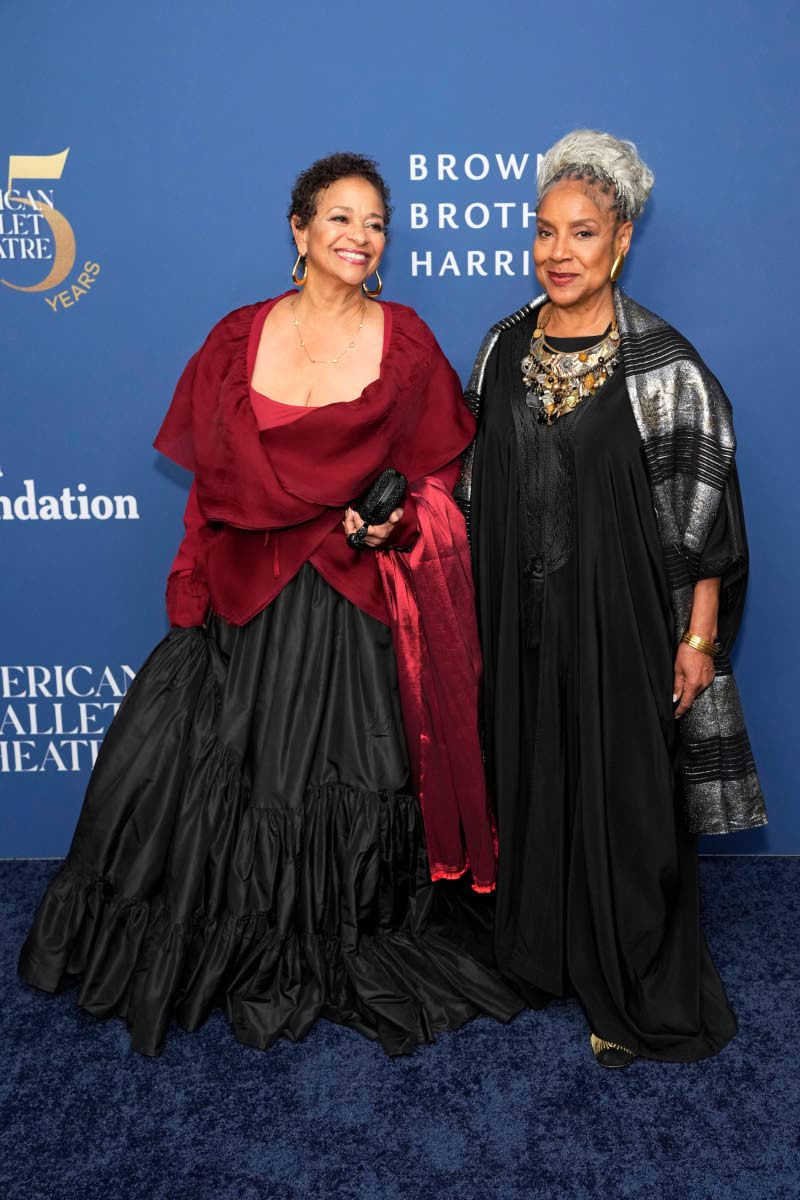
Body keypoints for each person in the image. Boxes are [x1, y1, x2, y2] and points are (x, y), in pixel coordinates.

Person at [19, 152, 521, 1058]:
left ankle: (343, 938)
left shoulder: (406, 345)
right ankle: (231, 945)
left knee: (358, 783)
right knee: (217, 785)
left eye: (375, 223)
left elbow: (441, 471)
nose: (359, 237)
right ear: (299, 230)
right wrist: (188, 583)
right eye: (339, 218)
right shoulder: (232, 342)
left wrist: (397, 518)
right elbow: (207, 490)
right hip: (248, 602)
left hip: (356, 607)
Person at [457, 130, 766, 1068]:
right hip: (520, 623)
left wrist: (699, 642)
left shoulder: (666, 367)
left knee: (625, 798)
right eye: (544, 232)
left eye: (581, 233)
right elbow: (475, 493)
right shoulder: (502, 348)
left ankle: (628, 979)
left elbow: (705, 517)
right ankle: (541, 954)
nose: (558, 252)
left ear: (621, 240)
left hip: (626, 628)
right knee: (531, 779)